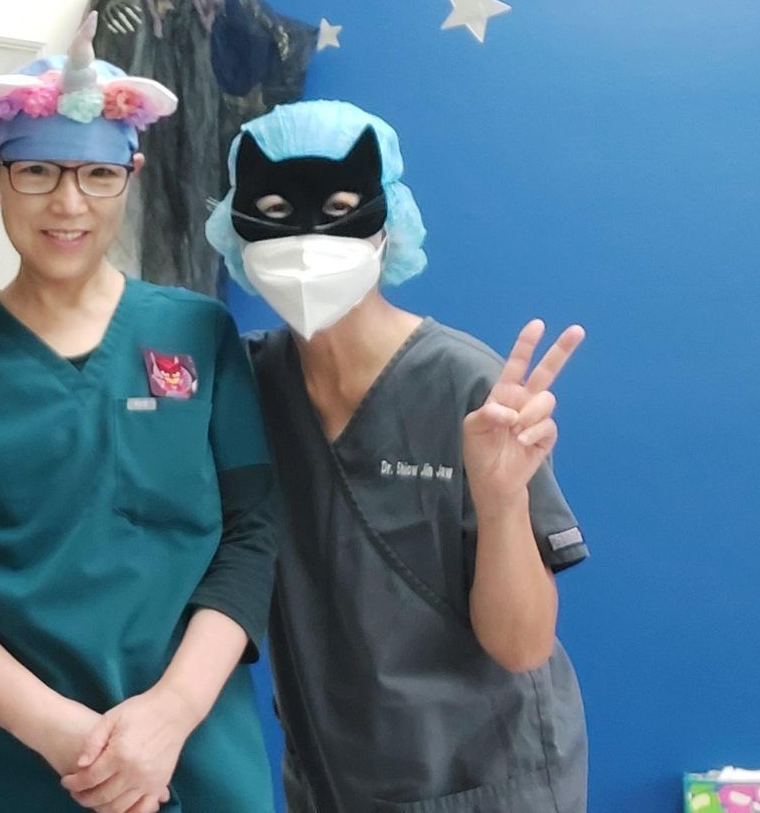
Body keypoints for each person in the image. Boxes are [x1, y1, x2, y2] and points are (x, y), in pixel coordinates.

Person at [0, 14, 279, 813]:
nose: (69, 202)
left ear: (131, 176)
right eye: (37, 172)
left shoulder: (197, 334)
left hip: (184, 756)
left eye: (98, 175)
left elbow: (253, 534)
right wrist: (55, 728)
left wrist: (170, 714)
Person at [205, 100, 590, 813]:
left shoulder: (468, 388)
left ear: (388, 223)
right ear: (236, 227)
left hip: (486, 778)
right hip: (333, 779)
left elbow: (522, 647)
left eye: (339, 209)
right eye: (276, 213)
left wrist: (502, 503)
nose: (307, 242)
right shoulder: (247, 386)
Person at [88, 0, 314, 294]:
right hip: (145, 150)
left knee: (202, 251)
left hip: (201, 154)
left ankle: (193, 327)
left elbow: (280, 48)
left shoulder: (221, 1)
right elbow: (95, 63)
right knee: (139, 243)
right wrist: (111, 9)